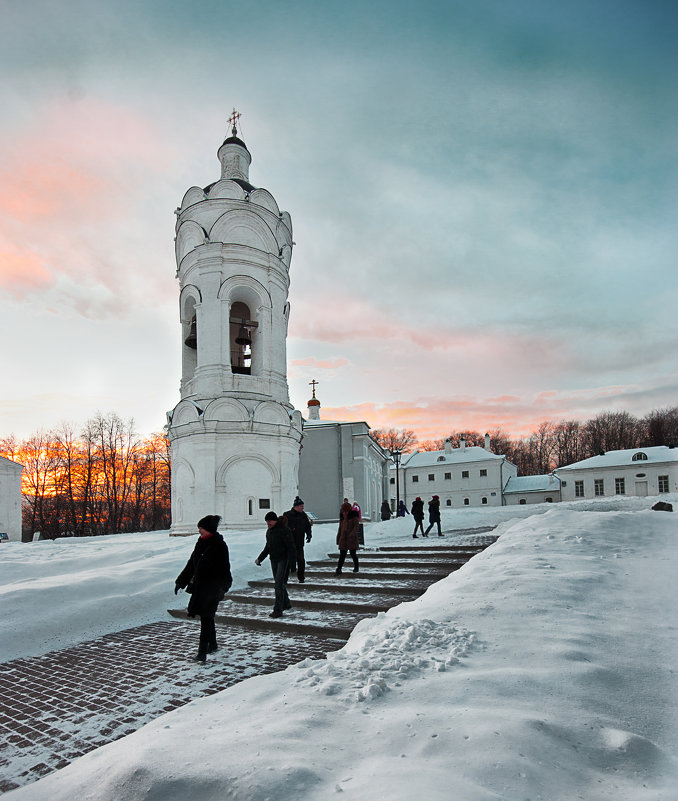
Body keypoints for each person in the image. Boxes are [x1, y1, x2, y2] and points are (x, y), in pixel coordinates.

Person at [174, 514, 232, 663]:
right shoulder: (200, 543)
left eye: (202, 528)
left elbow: (225, 569)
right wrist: (181, 581)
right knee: (207, 617)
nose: (199, 530)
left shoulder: (219, 545)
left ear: (209, 530)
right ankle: (212, 644)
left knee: (206, 617)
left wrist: (223, 588)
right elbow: (192, 563)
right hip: (201, 587)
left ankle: (202, 652)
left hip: (213, 587)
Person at [255, 512, 296, 618]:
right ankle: (286, 603)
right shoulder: (269, 531)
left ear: (275, 520)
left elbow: (291, 547)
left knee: (278, 584)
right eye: (266, 522)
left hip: (283, 559)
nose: (268, 523)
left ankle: (278, 609)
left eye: (269, 521)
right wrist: (260, 558)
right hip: (273, 559)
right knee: (280, 583)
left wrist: (292, 563)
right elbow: (268, 547)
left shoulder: (284, 530)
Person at [285, 496, 312, 583]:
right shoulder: (287, 515)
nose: (302, 508)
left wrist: (309, 535)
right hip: (290, 543)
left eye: (303, 507)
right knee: (288, 561)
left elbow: (307, 526)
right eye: (301, 506)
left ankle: (301, 577)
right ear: (296, 506)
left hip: (300, 542)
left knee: (301, 561)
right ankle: (284, 578)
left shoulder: (303, 515)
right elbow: (283, 527)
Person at [335, 506, 360, 575]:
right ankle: (339, 569)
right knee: (342, 555)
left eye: (346, 511)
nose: (344, 513)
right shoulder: (342, 518)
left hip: (351, 538)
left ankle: (356, 567)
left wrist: (352, 534)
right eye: (343, 512)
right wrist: (338, 538)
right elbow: (340, 529)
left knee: (353, 554)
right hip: (343, 538)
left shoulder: (353, 517)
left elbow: (356, 527)